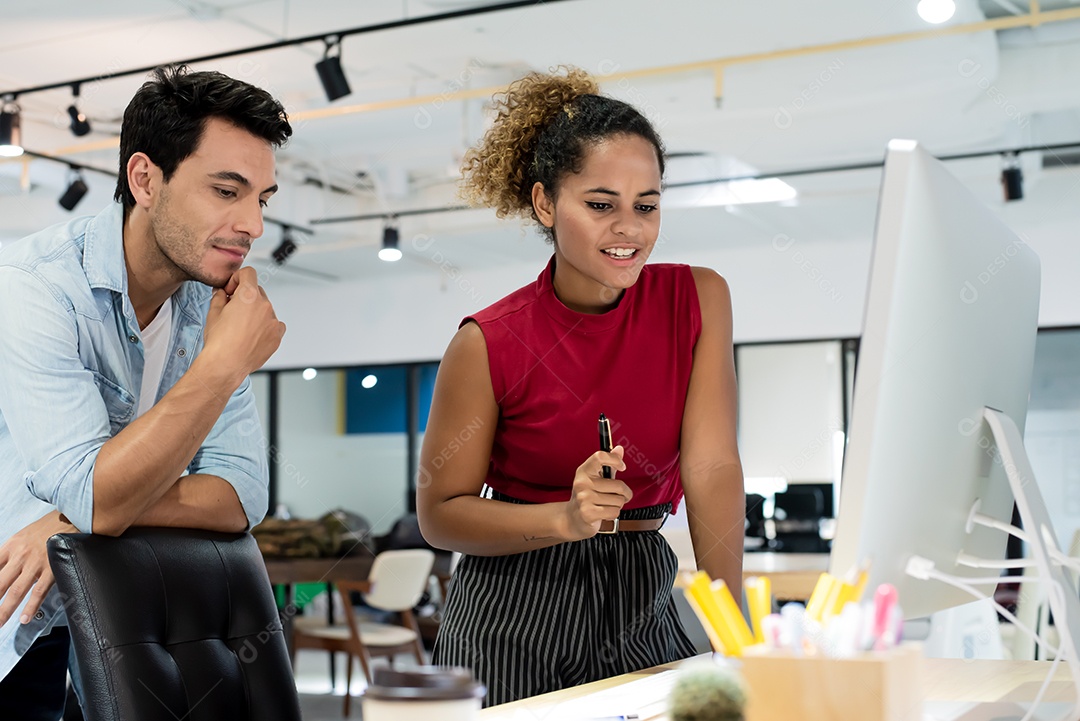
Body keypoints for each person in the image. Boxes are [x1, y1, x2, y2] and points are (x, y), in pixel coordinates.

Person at [416, 67, 745, 707]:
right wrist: (565, 519)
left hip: (640, 592)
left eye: (645, 205)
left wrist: (733, 632)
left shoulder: (697, 298)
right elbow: (439, 514)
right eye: (600, 205)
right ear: (546, 204)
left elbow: (712, 466)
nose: (629, 228)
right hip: (508, 611)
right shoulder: (487, 341)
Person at [0, 65, 291, 719]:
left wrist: (74, 514)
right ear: (145, 179)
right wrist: (221, 365)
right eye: (226, 190)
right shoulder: (34, 287)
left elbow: (240, 493)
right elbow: (101, 493)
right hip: (14, 626)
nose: (252, 225)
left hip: (120, 620)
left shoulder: (205, 304)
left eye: (262, 199)